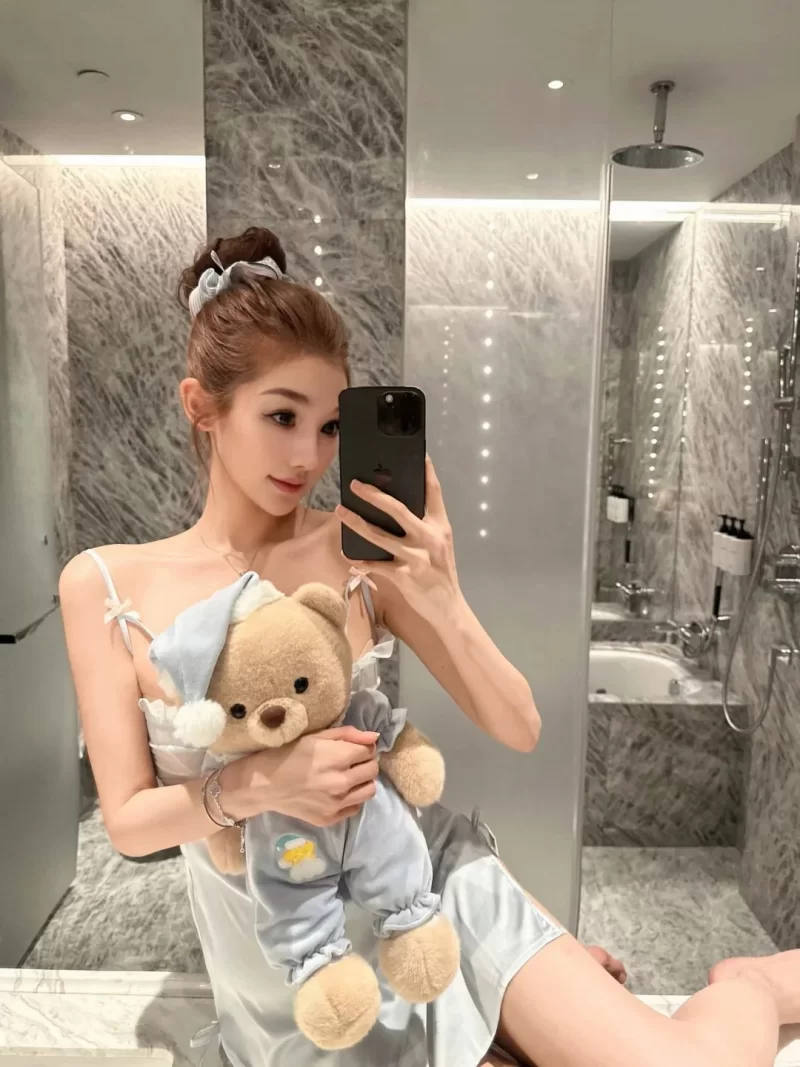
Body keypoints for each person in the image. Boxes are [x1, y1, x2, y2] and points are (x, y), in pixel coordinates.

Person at [60, 227, 800, 1067]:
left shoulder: (360, 554)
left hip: (427, 890)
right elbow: (129, 822)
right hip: (291, 972)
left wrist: (441, 595)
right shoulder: (107, 584)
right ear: (202, 406)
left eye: (330, 425)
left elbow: (520, 724)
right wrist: (262, 783)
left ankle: (751, 984)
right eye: (282, 416)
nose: (308, 455)